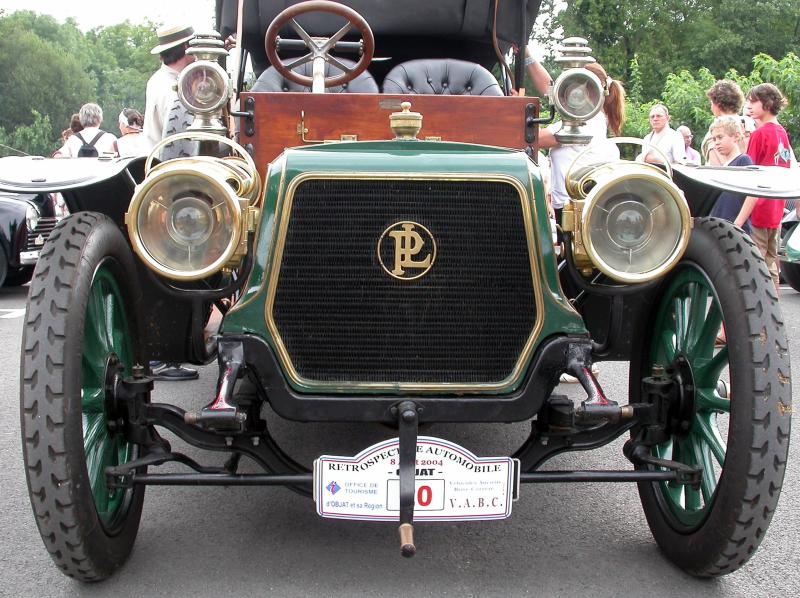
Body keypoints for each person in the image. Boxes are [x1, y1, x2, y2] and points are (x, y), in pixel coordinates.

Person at [525, 46, 626, 382]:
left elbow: (537, 138)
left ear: (587, 91)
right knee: (569, 275)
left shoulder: (586, 118)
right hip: (568, 203)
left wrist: (514, 116)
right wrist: (525, 55)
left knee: (575, 279)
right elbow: (549, 88)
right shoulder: (585, 113)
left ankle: (582, 354)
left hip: (579, 207)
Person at [144, 25, 200, 381]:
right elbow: (184, 140)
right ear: (188, 53)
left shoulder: (158, 81)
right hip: (176, 179)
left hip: (168, 175)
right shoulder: (177, 89)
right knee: (183, 257)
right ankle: (165, 353)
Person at [734, 83, 794, 292]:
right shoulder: (782, 133)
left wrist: (739, 219)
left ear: (767, 104)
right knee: (771, 265)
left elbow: (750, 176)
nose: (749, 106)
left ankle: (759, 319)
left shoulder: (760, 135)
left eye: (753, 101)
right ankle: (774, 315)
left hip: (758, 209)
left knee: (754, 266)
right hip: (776, 210)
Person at [143, 24, 196, 150]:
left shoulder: (157, 80)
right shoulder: (174, 87)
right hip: (172, 164)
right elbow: (180, 141)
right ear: (186, 47)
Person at [708, 116, 753, 232]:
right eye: (714, 139)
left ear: (736, 136)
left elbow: (753, 195)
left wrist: (738, 223)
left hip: (735, 229)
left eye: (720, 137)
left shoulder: (743, 160)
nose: (717, 143)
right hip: (720, 226)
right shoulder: (725, 166)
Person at [702, 80, 745, 165]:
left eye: (711, 103)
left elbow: (718, 166)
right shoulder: (748, 124)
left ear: (717, 103)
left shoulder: (718, 129)